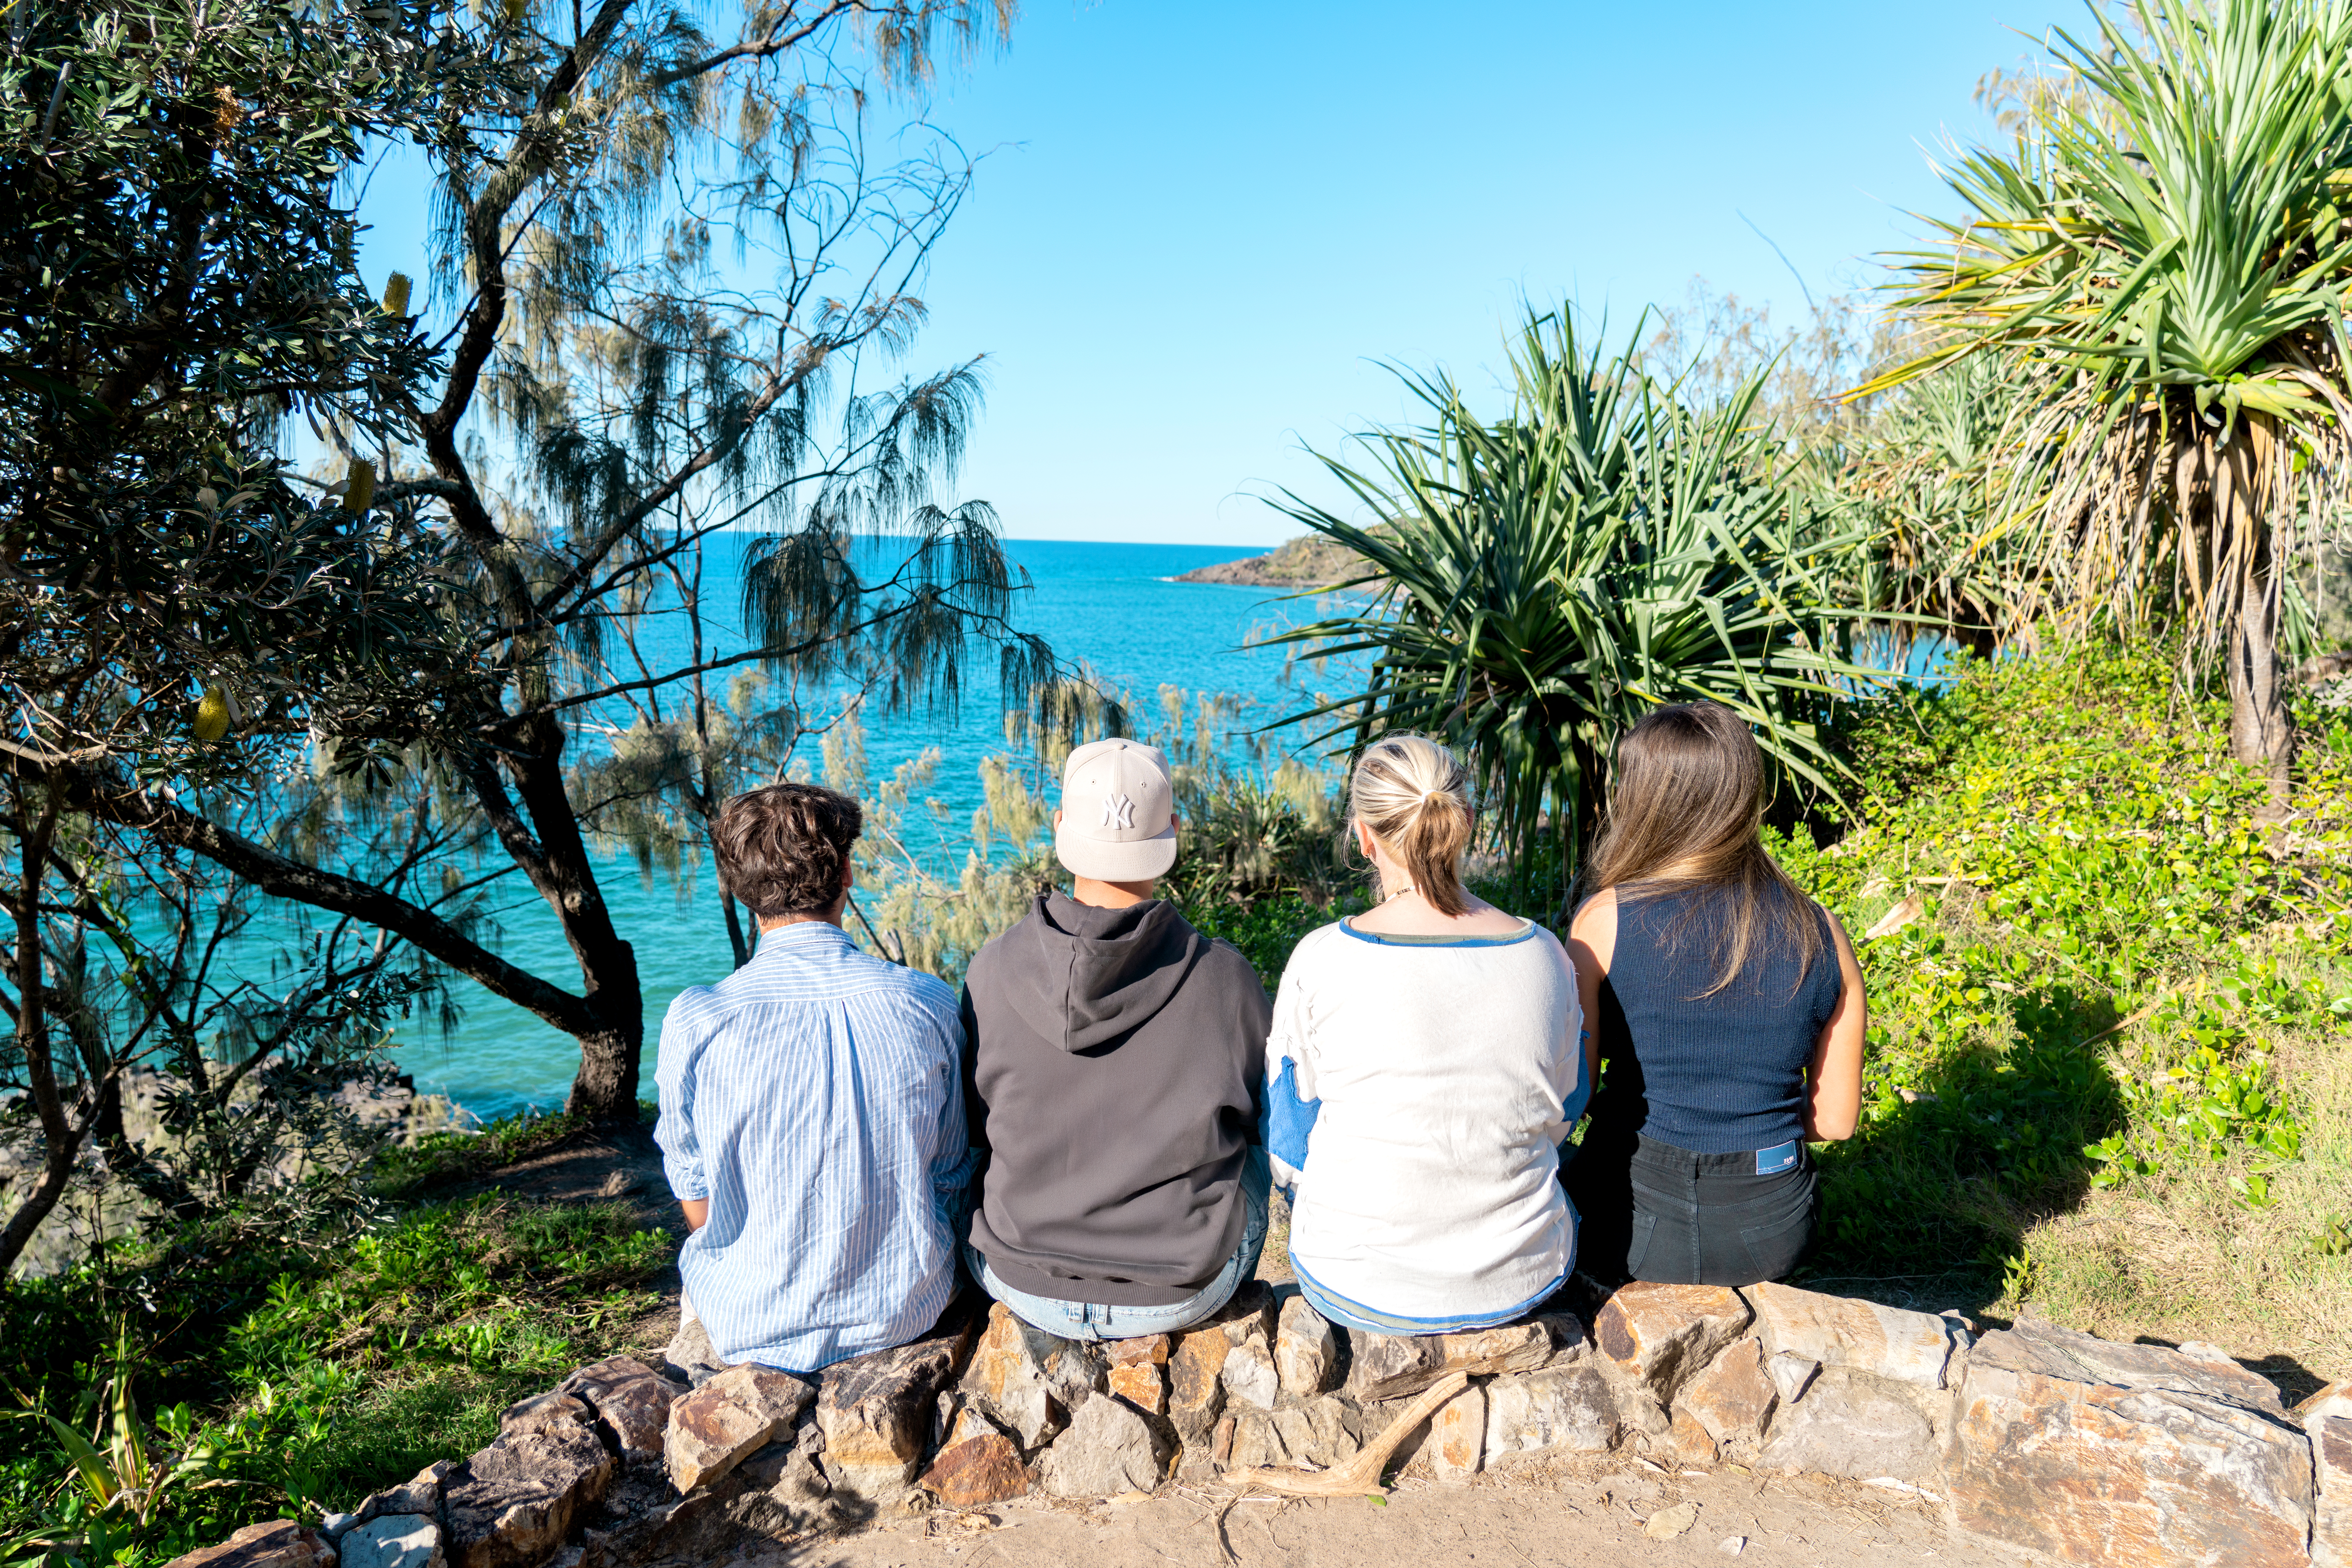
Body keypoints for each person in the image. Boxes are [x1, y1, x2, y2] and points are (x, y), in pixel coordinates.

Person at [1265, 733, 1591, 1335]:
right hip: (1520, 1274)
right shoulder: (1545, 954)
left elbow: (1289, 1139)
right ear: (1466, 822)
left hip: (1352, 1279)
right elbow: (1566, 1108)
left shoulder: (1322, 958)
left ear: (1365, 837)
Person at [654, 782, 974, 1373]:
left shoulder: (699, 1019)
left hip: (750, 1321)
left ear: (739, 887)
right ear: (846, 873)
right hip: (904, 1310)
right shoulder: (926, 1001)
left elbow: (694, 1186)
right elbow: (950, 1171)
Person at [960, 737, 1273, 1339]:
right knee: (1257, 1149)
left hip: (1019, 1277)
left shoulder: (989, 971)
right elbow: (1263, 1123)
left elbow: (976, 1131)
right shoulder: (1225, 979)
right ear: (1173, 832)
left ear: (1060, 826)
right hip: (1179, 1289)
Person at [1561, 702, 1867, 1288]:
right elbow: (1836, 1122)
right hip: (1772, 1230)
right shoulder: (1822, 931)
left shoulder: (1604, 920)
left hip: (1623, 1218)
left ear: (1644, 800)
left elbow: (1573, 1092)